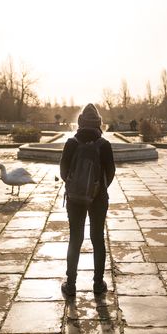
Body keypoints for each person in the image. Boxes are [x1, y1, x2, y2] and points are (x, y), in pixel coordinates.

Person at [60, 103, 115, 296]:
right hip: (98, 198)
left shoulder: (71, 143)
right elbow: (111, 173)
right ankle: (98, 285)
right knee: (97, 239)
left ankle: (71, 285)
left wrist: (77, 186)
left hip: (75, 199)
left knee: (75, 239)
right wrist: (96, 188)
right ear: (99, 123)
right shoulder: (105, 145)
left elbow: (63, 173)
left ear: (80, 122)